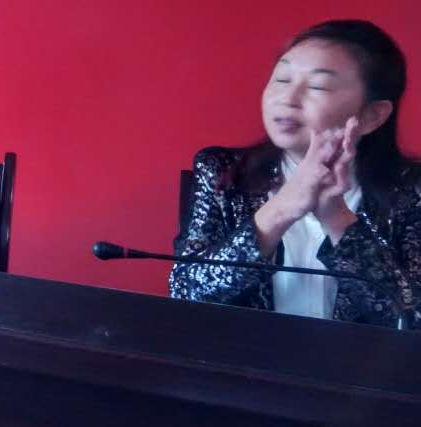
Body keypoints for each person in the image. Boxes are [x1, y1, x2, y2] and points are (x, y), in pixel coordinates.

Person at [170, 20, 420, 327]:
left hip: (362, 361)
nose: (287, 98)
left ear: (372, 115)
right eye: (282, 79)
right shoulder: (224, 172)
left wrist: (336, 217)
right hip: (248, 357)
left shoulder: (411, 190)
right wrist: (280, 210)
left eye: (318, 86)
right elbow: (185, 293)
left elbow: (414, 321)